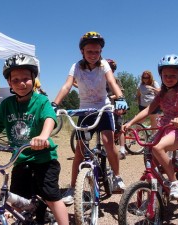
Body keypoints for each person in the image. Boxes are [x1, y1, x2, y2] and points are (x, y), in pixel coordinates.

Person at [0, 54, 69, 225]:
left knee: (51, 196)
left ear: (33, 79)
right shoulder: (7, 104)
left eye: (26, 78)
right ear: (10, 83)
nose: (21, 83)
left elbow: (49, 118)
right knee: (18, 198)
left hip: (44, 159)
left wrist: (43, 136)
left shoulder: (41, 101)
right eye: (16, 79)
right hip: (20, 159)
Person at [53, 31, 128, 205]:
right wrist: (55, 103)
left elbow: (111, 82)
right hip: (85, 111)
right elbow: (67, 85)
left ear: (101, 52)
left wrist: (121, 99)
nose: (93, 55)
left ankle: (117, 177)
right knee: (80, 150)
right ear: (82, 52)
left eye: (97, 52)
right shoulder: (76, 67)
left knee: (108, 141)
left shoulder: (104, 66)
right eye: (89, 52)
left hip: (103, 107)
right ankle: (72, 188)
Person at [123, 54, 178, 199]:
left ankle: (175, 183)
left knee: (157, 148)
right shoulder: (161, 93)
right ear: (160, 76)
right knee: (148, 149)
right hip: (164, 128)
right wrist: (130, 122)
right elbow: (148, 110)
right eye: (165, 75)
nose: (169, 78)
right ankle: (155, 185)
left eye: (173, 75)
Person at [105, 59, 127, 160]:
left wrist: (111, 97)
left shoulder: (115, 79)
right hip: (106, 106)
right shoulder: (101, 80)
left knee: (119, 127)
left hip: (117, 103)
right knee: (108, 128)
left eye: (112, 68)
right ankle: (110, 149)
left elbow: (121, 92)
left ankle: (122, 150)